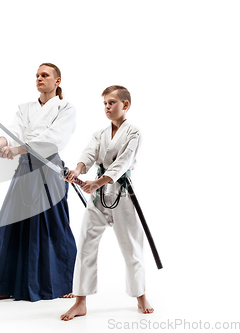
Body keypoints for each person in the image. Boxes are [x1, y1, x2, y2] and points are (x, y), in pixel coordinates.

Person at [0, 63, 77, 302]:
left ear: (57, 81)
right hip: (24, 169)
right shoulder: (25, 108)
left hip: (48, 170)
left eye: (45, 75)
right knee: (9, 225)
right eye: (37, 75)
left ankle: (61, 283)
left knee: (54, 226)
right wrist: (0, 142)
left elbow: (52, 140)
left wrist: (17, 149)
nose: (39, 78)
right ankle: (1, 285)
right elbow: (13, 130)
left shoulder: (66, 107)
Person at [60, 85, 153, 320]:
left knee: (131, 248)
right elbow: (88, 156)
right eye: (104, 103)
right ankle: (80, 300)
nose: (107, 107)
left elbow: (122, 163)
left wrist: (98, 182)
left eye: (111, 103)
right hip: (98, 199)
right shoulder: (99, 135)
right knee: (86, 245)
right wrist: (77, 171)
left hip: (122, 194)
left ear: (125, 105)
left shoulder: (134, 133)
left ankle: (140, 295)